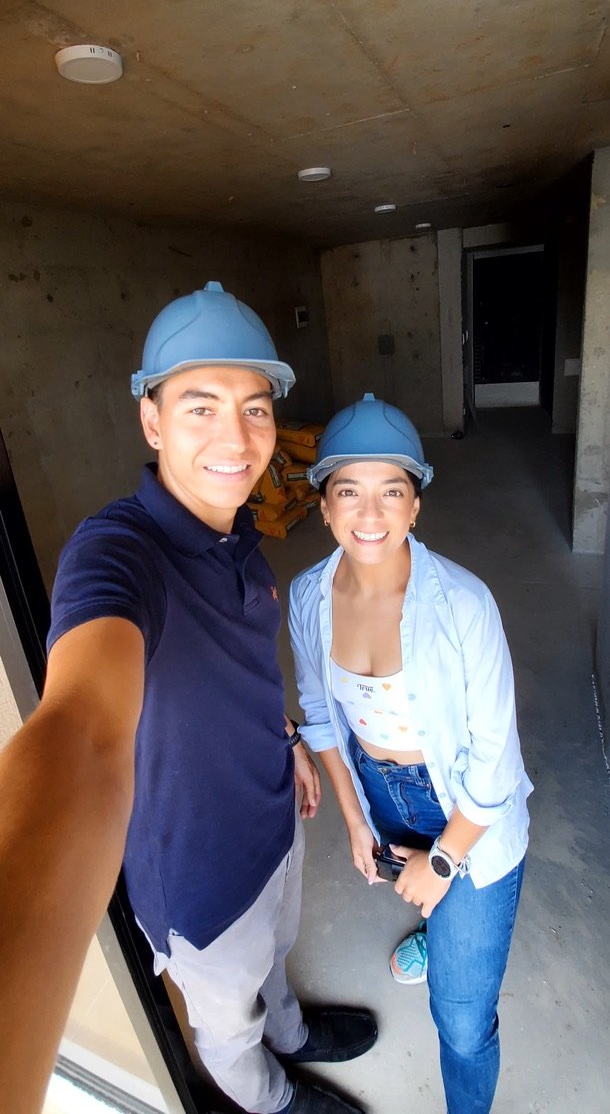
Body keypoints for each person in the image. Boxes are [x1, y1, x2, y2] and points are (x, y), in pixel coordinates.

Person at [0, 284, 377, 1114]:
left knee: (276, 957)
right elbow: (84, 730)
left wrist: (285, 738)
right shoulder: (119, 552)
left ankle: (292, 1034)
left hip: (274, 817)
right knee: (228, 1026)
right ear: (152, 421)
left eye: (254, 409)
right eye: (200, 407)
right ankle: (274, 1100)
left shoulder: (238, 535)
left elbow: (232, 664)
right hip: (204, 879)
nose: (235, 439)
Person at [288, 392, 533, 1114]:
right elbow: (320, 716)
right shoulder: (308, 596)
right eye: (349, 492)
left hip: (465, 809)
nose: (370, 513)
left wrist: (447, 861)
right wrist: (354, 820)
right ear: (323, 506)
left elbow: (495, 760)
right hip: (378, 791)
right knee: (417, 886)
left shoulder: (463, 605)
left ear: (415, 505)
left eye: (391, 491)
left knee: (461, 1019)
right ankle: (438, 926)